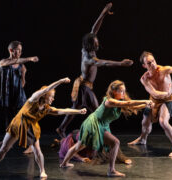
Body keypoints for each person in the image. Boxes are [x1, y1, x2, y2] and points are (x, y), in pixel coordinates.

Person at [56, 3, 134, 138]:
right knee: (98, 110)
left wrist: (103, 13)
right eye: (96, 43)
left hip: (85, 85)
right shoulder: (88, 57)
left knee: (76, 108)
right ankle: (103, 134)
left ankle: (61, 129)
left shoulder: (89, 47)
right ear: (90, 44)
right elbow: (103, 63)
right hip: (84, 87)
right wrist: (121, 63)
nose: (98, 43)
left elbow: (94, 28)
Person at [0, 77, 87, 178]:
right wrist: (61, 81)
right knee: (4, 148)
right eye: (51, 96)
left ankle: (42, 171)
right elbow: (46, 89)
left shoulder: (47, 108)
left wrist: (78, 111)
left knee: (37, 150)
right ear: (45, 95)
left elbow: (62, 111)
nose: (53, 98)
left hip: (31, 127)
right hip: (18, 124)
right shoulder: (33, 99)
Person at [60, 80, 154, 177]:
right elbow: (129, 103)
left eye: (124, 91)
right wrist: (145, 101)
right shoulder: (109, 101)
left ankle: (64, 163)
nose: (123, 93)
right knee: (111, 142)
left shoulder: (119, 102)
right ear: (114, 91)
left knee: (81, 146)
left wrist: (146, 105)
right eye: (121, 91)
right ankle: (111, 170)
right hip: (94, 123)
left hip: (102, 124)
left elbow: (130, 106)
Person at [128, 51, 172, 157]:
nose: (153, 64)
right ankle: (143, 139)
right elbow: (154, 93)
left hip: (167, 99)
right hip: (154, 99)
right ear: (144, 65)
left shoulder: (163, 70)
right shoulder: (144, 79)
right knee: (145, 122)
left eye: (153, 61)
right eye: (149, 63)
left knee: (163, 122)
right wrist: (165, 93)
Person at [0, 41, 39, 127]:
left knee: (22, 119)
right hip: (8, 97)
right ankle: (7, 140)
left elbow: (22, 85)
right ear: (11, 50)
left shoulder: (22, 66)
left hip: (19, 97)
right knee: (9, 121)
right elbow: (14, 61)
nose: (20, 52)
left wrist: (23, 75)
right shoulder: (3, 62)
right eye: (18, 50)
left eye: (21, 50)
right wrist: (30, 59)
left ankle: (24, 138)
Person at [58, 129, 132, 165]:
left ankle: (58, 142)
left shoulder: (91, 137)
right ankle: (58, 142)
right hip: (75, 141)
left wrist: (123, 159)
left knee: (110, 143)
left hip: (85, 139)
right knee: (62, 142)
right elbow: (72, 151)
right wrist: (81, 159)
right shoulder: (72, 144)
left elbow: (113, 145)